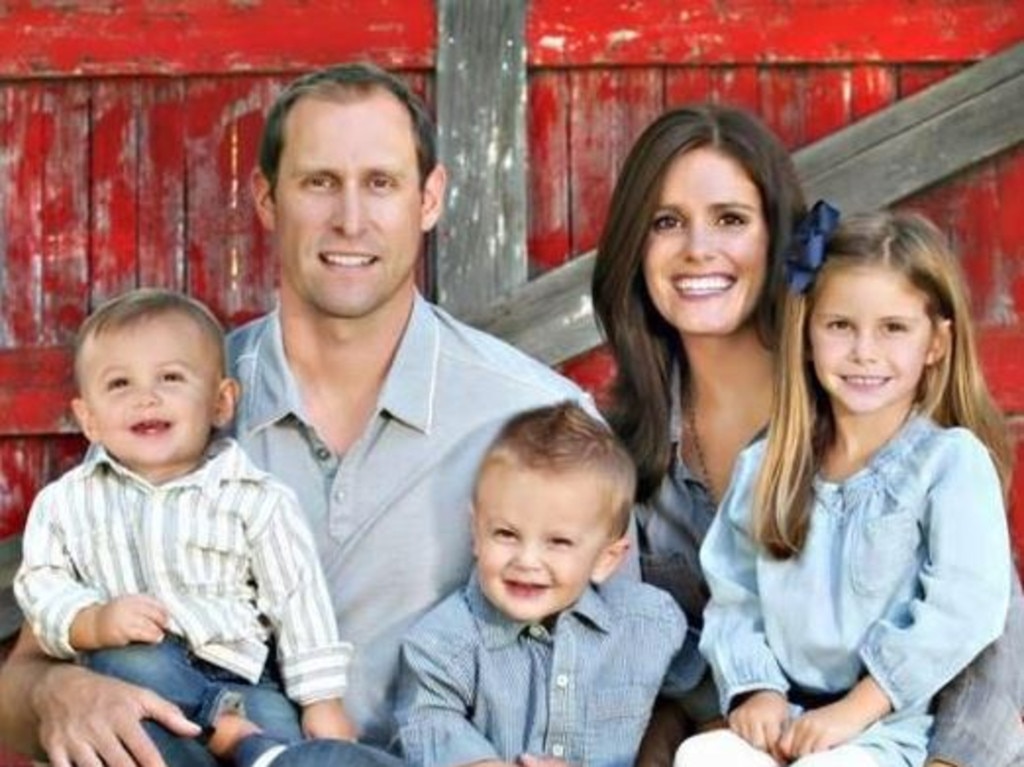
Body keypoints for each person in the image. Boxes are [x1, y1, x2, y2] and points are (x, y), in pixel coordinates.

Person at [0, 62, 592, 767]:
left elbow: (624, 667)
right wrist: (51, 696)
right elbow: (23, 681)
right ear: (266, 198)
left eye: (380, 182)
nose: (349, 217)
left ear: (429, 198)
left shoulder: (535, 418)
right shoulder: (170, 403)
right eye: (319, 182)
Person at [590, 103, 1024, 767]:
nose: (698, 248)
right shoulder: (623, 455)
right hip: (759, 735)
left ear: (781, 244)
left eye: (730, 219)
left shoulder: (889, 422)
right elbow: (637, 660)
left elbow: (985, 631)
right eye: (666, 222)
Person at [674, 208, 1012, 767]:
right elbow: (735, 596)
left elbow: (964, 607)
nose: (864, 352)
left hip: (887, 726)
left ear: (936, 342)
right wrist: (756, 687)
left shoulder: (950, 464)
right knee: (703, 755)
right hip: (784, 714)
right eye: (839, 326)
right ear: (806, 335)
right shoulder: (769, 465)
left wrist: (858, 707)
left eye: (893, 328)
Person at [12, 288, 356, 763]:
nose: (145, 397)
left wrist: (322, 700)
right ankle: (226, 735)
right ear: (87, 418)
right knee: (127, 664)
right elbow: (40, 585)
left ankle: (231, 726)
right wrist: (92, 620)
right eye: (119, 385)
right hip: (137, 685)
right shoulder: (66, 503)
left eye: (170, 377)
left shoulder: (255, 498)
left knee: (292, 751)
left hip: (243, 681)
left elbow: (298, 601)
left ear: (220, 402)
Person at [393, 402, 687, 767]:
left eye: (558, 542)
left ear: (605, 559)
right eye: (506, 534)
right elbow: (426, 722)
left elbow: (701, 705)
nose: (527, 561)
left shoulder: (649, 623)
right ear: (476, 532)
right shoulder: (443, 643)